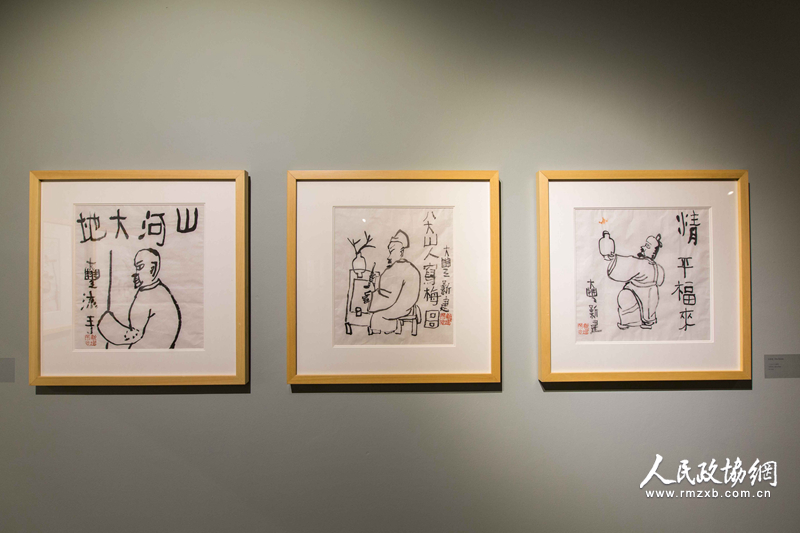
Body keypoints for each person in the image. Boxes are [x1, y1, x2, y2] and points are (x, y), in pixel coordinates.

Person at [97, 248, 182, 348]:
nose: (135, 273)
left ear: (153, 269)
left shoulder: (150, 294)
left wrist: (105, 324)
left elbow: (133, 335)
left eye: (140, 267)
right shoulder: (157, 290)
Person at [599, 232, 665, 329]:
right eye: (645, 245)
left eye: (647, 246)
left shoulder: (646, 264)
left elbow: (629, 264)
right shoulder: (648, 264)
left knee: (641, 302)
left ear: (653, 252)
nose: (643, 247)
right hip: (640, 289)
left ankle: (639, 321)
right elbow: (629, 263)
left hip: (647, 291)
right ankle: (638, 321)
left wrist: (614, 259)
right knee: (628, 297)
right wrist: (614, 258)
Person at [367, 230, 421, 334]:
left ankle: (387, 333)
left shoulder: (398, 268)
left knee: (376, 316)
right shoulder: (407, 267)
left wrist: (371, 300)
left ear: (401, 252)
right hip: (406, 305)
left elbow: (389, 297)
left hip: (400, 306)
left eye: (391, 251)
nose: (388, 256)